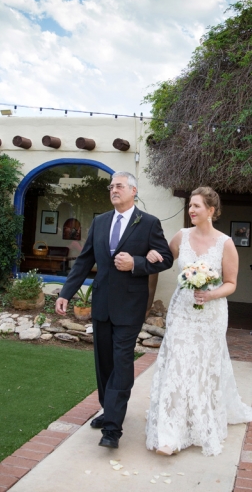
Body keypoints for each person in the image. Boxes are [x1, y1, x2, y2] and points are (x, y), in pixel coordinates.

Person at [55, 171, 173, 449]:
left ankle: (112, 428)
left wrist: (136, 263)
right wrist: (65, 293)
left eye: (119, 186)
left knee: (121, 362)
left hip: (130, 307)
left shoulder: (149, 223)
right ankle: (108, 409)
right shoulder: (100, 221)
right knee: (104, 363)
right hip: (102, 304)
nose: (113, 190)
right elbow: (84, 261)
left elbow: (165, 258)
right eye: (111, 186)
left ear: (133, 190)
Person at [144, 187, 252, 456]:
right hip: (182, 310)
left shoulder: (225, 243)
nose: (191, 210)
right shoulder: (181, 236)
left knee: (203, 367)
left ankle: (199, 423)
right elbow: (165, 260)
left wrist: (210, 293)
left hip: (211, 314)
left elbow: (231, 284)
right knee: (177, 365)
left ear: (211, 211)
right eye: (190, 206)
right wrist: (152, 256)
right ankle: (170, 434)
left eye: (197, 206)